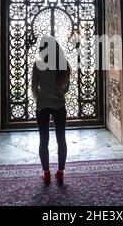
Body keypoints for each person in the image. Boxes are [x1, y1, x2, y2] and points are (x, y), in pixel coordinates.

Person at [31, 35, 71, 185]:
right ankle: (60, 173)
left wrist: (39, 98)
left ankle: (46, 173)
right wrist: (58, 94)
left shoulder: (38, 63)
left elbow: (34, 87)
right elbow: (66, 87)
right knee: (61, 140)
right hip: (59, 105)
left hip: (42, 106)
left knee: (44, 140)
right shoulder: (63, 64)